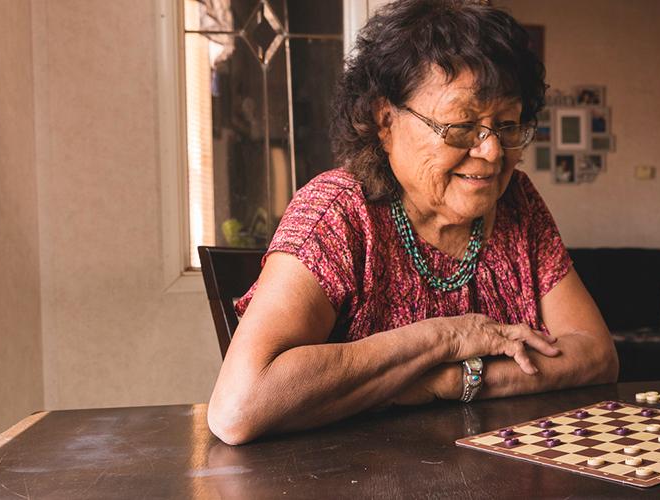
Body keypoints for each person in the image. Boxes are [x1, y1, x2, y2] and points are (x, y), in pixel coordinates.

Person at [207, 0, 617, 445]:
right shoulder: (338, 212)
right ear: (386, 120)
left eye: (507, 125)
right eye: (461, 125)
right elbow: (240, 407)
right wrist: (447, 337)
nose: (493, 152)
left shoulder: (517, 201)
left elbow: (595, 354)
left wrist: (445, 383)